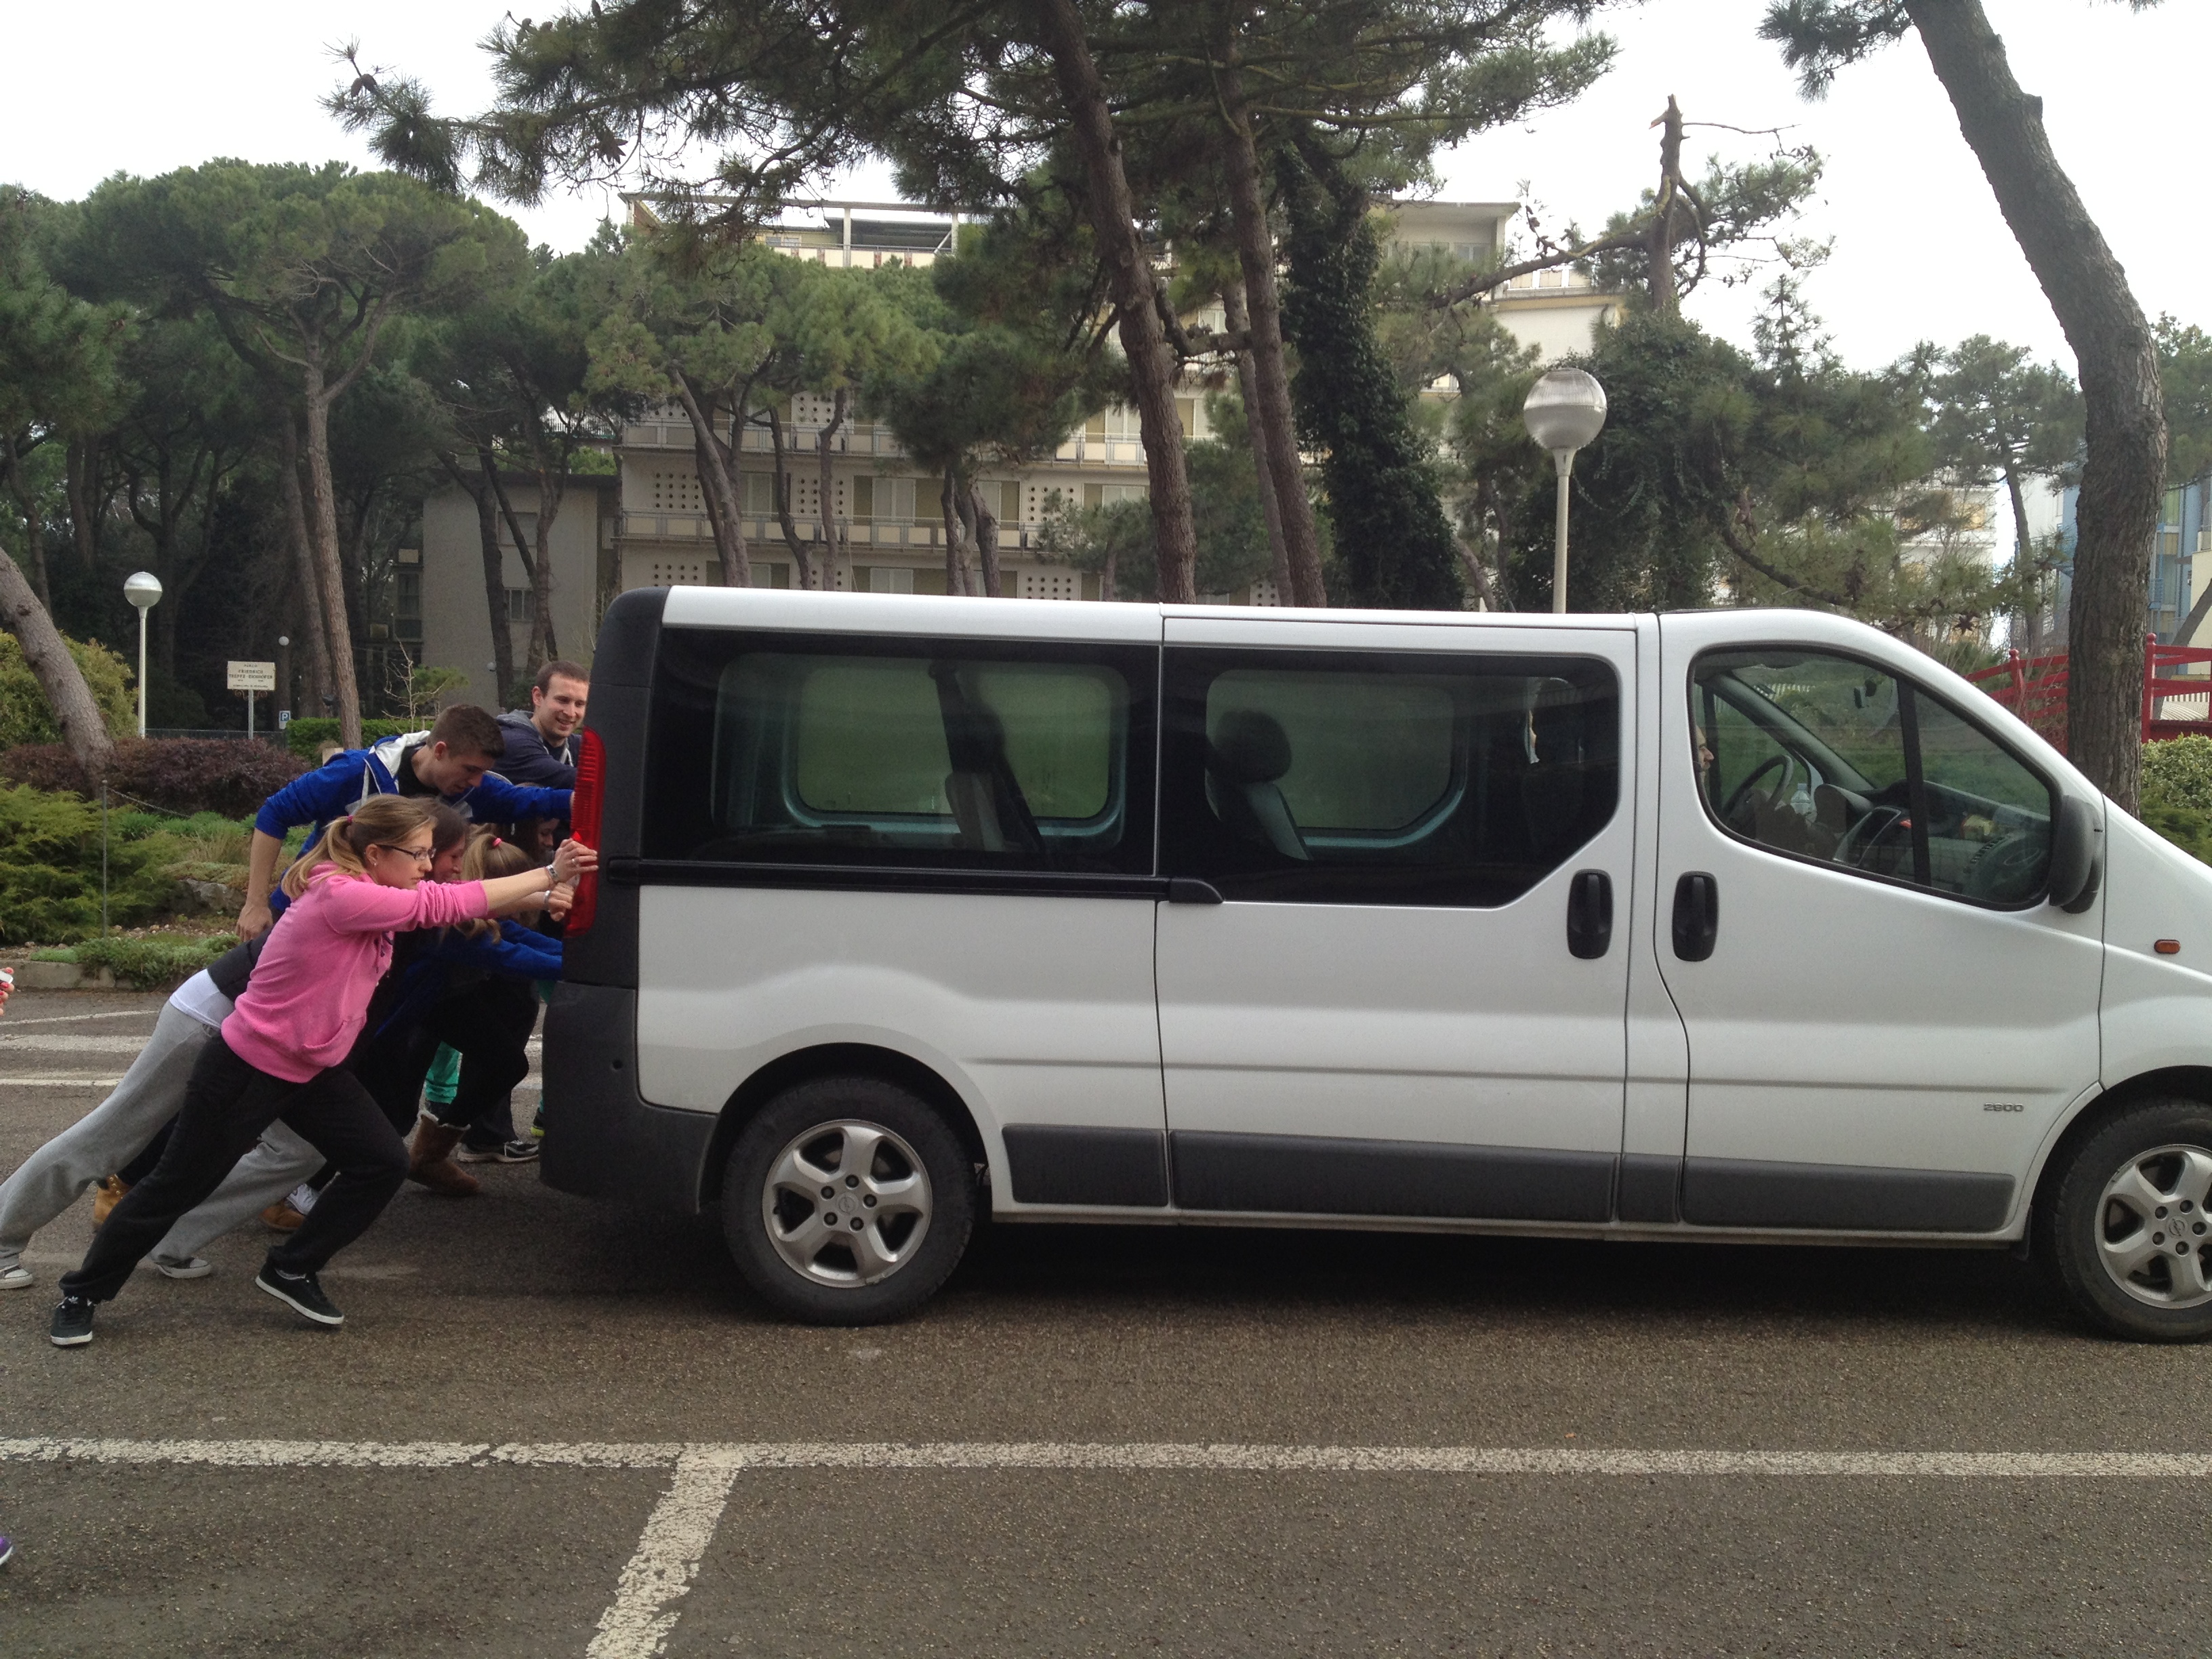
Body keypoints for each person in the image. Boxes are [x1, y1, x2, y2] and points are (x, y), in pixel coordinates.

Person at [48, 797, 594, 1347]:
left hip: (314, 1072)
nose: (429, 866)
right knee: (175, 1185)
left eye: (433, 855)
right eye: (419, 855)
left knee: (381, 1164)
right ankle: (81, 1292)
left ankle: (292, 1267)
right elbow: (440, 904)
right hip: (248, 1069)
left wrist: (542, 894)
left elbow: (457, 911)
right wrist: (548, 873)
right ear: (376, 854)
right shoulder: (341, 894)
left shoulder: (377, 894)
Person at [236, 704, 571, 940]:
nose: (477, 782)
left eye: (483, 772)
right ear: (440, 750)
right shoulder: (355, 772)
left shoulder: (473, 791)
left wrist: (582, 799)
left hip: (390, 930)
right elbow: (274, 813)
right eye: (471, 769)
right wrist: (255, 903)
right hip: (308, 918)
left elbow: (532, 801)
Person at [495, 661, 588, 790]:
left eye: (579, 704)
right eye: (563, 700)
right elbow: (573, 780)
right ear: (538, 697)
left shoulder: (577, 746)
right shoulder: (510, 742)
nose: (571, 713)